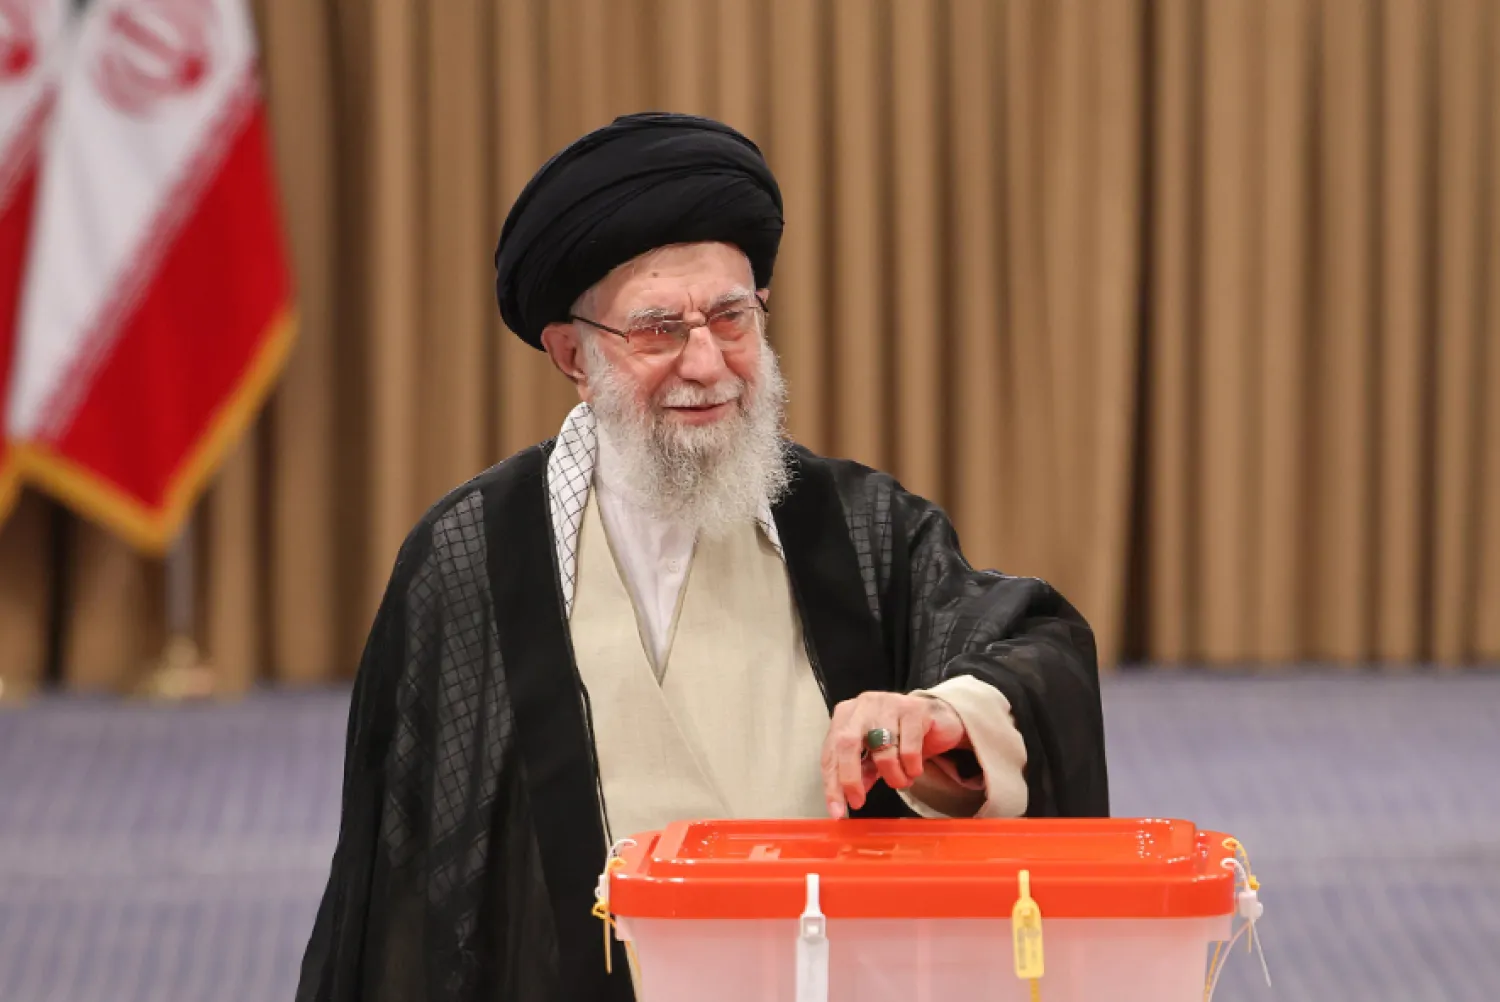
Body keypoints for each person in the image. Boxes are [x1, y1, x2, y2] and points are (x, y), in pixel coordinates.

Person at [296, 112, 1108, 1002]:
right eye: (657, 330)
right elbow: (413, 882)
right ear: (573, 354)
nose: (706, 362)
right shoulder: (469, 555)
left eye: (732, 318)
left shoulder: (858, 524)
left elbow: (1034, 647)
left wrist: (941, 716)